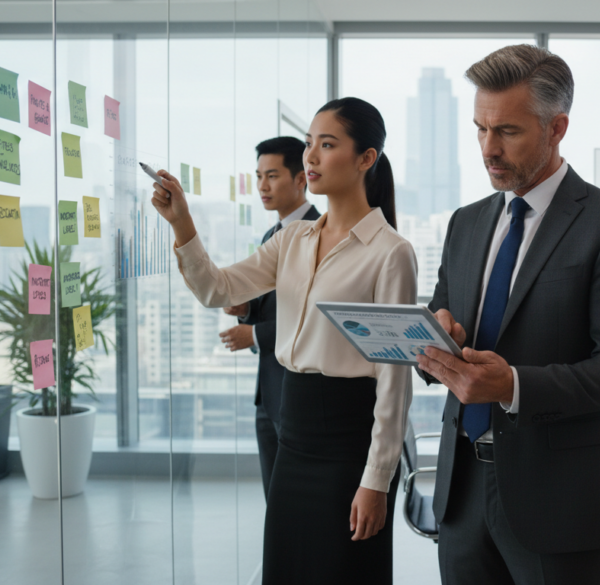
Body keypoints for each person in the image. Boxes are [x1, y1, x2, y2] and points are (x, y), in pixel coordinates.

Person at [415, 44, 600, 585]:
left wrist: (513, 386)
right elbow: (441, 316)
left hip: (560, 499)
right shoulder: (465, 222)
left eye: (508, 131)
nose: (488, 149)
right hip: (462, 494)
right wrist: (435, 343)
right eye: (479, 128)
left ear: (557, 127)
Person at [150, 97, 416, 584]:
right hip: (294, 436)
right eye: (310, 143)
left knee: (344, 573)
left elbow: (394, 381)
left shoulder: (390, 253)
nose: (311, 156)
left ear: (366, 159)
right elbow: (217, 287)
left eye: (327, 144)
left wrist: (376, 480)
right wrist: (181, 221)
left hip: (348, 442)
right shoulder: (292, 240)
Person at [217, 136, 321, 500]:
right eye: (259, 176)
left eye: (272, 176)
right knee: (274, 501)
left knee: (297, 504)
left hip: (299, 396)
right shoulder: (270, 235)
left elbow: (315, 320)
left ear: (300, 179)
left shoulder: (318, 234)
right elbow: (276, 305)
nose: (262, 186)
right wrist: (246, 310)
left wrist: (255, 335)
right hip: (268, 393)